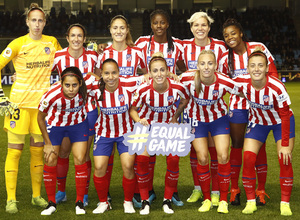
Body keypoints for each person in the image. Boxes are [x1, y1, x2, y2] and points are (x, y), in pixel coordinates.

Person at [0, 3, 61, 214]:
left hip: (41, 109)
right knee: (14, 152)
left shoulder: (52, 43)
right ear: (27, 22)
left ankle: (36, 196)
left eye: (40, 20)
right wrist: (1, 97)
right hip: (18, 106)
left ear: (45, 23)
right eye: (33, 20)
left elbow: (65, 64)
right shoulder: (17, 44)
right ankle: (11, 199)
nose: (37, 24)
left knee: (38, 153)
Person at [219, 18, 278, 206]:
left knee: (257, 147)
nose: (230, 37)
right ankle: (234, 189)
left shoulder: (258, 47)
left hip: (259, 106)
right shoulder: (224, 58)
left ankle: (260, 190)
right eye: (226, 35)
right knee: (236, 146)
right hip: (238, 106)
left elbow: (273, 73)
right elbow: (223, 82)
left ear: (241, 33)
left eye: (233, 33)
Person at [234, 48, 294, 216]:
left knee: (285, 157)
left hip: (280, 123)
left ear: (267, 68)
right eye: (252, 65)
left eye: (261, 65)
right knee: (248, 157)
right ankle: (251, 201)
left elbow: (284, 115)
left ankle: (285, 203)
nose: (257, 69)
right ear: (247, 68)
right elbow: (220, 80)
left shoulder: (277, 87)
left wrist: (284, 144)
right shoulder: (242, 82)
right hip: (258, 123)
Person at [134, 8, 186, 207]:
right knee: (149, 153)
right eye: (155, 22)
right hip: (149, 104)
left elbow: (182, 68)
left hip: (170, 105)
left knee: (172, 155)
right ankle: (148, 191)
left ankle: (171, 192)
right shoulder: (141, 43)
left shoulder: (177, 45)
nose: (158, 26)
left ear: (167, 24)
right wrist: (143, 74)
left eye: (162, 22)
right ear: (151, 25)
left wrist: (176, 76)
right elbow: (136, 66)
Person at [130, 52, 190, 215]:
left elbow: (185, 99)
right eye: (155, 71)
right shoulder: (142, 89)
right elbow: (132, 109)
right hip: (147, 128)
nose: (159, 74)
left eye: (162, 70)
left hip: (167, 128)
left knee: (173, 160)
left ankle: (167, 200)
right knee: (142, 160)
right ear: (149, 73)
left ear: (167, 70)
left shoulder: (178, 87)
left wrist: (176, 116)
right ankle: (144, 201)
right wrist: (138, 120)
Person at [180, 49, 238, 214]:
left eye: (210, 63)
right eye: (203, 63)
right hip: (197, 121)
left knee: (223, 156)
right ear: (197, 65)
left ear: (216, 65)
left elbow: (243, 89)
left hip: (218, 120)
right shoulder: (188, 78)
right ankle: (206, 198)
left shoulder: (223, 80)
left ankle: (223, 200)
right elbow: (171, 82)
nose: (206, 67)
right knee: (203, 157)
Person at [181, 11, 227, 205]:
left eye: (203, 25)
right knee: (198, 153)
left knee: (215, 151)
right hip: (192, 110)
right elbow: (178, 70)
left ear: (209, 27)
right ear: (191, 28)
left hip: (215, 109)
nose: (200, 28)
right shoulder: (182, 47)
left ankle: (216, 191)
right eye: (196, 25)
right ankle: (199, 188)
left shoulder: (220, 47)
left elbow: (225, 75)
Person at [52, 23, 99, 207]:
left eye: (80, 35)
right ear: (67, 37)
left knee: (83, 155)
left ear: (84, 39)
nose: (76, 39)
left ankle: (84, 194)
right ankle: (62, 191)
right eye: (73, 35)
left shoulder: (93, 56)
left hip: (88, 111)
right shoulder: (58, 56)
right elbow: (41, 73)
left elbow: (99, 76)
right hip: (64, 112)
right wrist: (19, 75)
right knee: (63, 152)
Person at [38, 67, 94, 215]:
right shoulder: (51, 95)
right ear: (61, 83)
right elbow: (40, 118)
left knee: (80, 158)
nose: (71, 89)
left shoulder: (86, 87)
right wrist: (47, 143)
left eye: (74, 85)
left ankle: (80, 202)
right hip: (56, 127)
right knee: (50, 158)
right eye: (67, 85)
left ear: (80, 83)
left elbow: (94, 76)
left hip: (78, 125)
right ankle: (51, 203)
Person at [91, 58, 144, 214]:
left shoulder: (129, 84)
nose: (110, 77)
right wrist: (88, 73)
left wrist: (171, 74)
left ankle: (128, 202)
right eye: (106, 73)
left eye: (114, 72)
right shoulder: (95, 87)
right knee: (100, 167)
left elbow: (148, 76)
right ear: (101, 74)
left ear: (119, 73)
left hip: (125, 132)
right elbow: (76, 79)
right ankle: (103, 202)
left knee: (128, 166)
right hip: (103, 133)